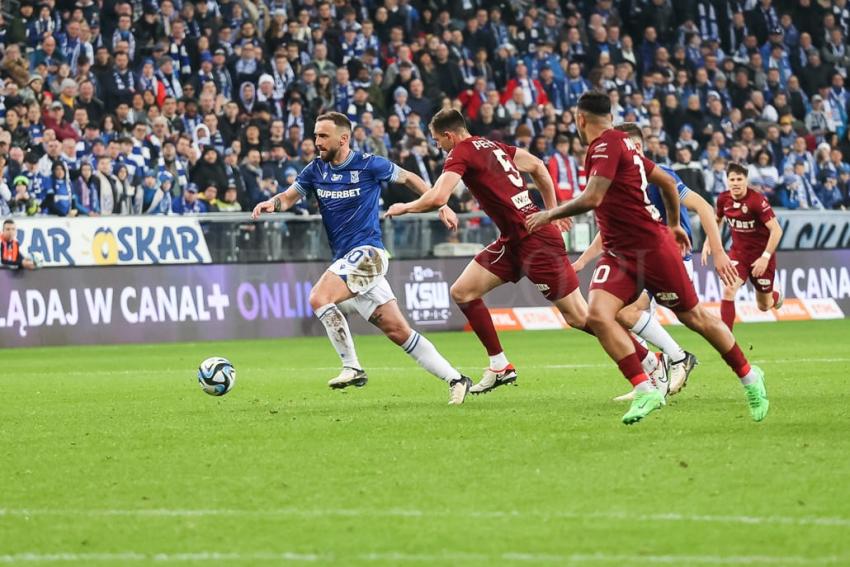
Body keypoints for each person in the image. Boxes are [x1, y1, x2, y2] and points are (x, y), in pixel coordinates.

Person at [525, 92, 769, 424]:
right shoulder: (624, 144)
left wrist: (549, 214)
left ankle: (750, 378)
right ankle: (646, 389)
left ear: (580, 119)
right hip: (619, 252)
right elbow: (666, 181)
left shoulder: (605, 146)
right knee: (598, 315)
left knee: (694, 318)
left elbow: (594, 197)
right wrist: (672, 223)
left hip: (650, 250)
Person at [385, 109, 666, 397]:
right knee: (463, 292)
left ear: (449, 136)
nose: (437, 147)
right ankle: (499, 366)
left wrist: (404, 207)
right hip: (514, 240)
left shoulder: (461, 151)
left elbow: (438, 196)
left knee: (582, 317)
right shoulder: (494, 146)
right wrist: (552, 210)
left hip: (536, 240)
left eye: (437, 141)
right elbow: (538, 166)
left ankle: (651, 361)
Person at [252, 112, 473, 405]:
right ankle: (457, 379)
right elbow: (290, 196)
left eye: (323, 136)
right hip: (348, 261)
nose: (316, 141)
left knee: (319, 297)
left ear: (343, 138)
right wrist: (273, 203)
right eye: (315, 135)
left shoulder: (370, 164)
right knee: (398, 332)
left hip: (369, 254)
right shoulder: (315, 170)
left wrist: (441, 205)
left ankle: (352, 367)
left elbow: (410, 178)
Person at [573, 122, 736, 401]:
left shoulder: (664, 177)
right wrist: (582, 262)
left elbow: (704, 207)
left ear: (641, 147)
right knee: (614, 315)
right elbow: (608, 232)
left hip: (670, 258)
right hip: (640, 260)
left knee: (630, 314)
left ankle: (675, 359)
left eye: (635, 147)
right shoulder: (618, 181)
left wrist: (718, 250)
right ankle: (656, 375)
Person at [706, 162, 785, 331]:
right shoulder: (723, 199)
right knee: (728, 289)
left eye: (739, 179)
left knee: (764, 305)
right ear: (727, 181)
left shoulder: (757, 201)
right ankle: (727, 339)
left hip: (761, 257)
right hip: (738, 255)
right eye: (732, 179)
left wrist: (765, 257)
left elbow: (776, 230)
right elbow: (717, 220)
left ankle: (776, 295)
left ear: (746, 181)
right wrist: (708, 241)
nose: (735, 182)